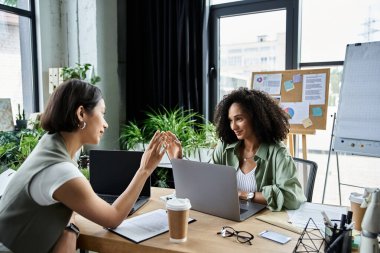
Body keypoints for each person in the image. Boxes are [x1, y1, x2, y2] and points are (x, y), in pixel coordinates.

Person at [0, 79, 167, 253]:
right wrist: (144, 169)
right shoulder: (60, 171)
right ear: (81, 113)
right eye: (102, 113)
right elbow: (113, 218)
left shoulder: (50, 143)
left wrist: (69, 228)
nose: (106, 123)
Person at [166, 87, 306, 211]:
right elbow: (208, 183)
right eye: (230, 120)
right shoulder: (225, 147)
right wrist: (179, 160)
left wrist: (244, 195)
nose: (233, 127)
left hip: (262, 221)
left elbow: (292, 197)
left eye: (239, 119)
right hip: (229, 215)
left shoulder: (277, 152)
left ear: (257, 118)